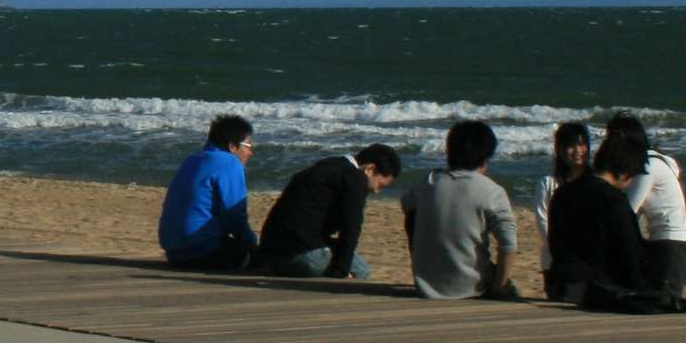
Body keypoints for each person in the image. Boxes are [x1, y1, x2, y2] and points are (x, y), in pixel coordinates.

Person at [544, 131, 677, 309]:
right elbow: (628, 252)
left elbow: (554, 241)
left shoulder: (562, 193)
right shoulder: (614, 200)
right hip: (596, 288)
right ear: (624, 172)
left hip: (560, 283)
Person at [399, 119, 520, 299]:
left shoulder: (430, 181)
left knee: (413, 213)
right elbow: (509, 245)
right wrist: (499, 285)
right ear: (485, 157)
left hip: (427, 286)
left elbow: (406, 205)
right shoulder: (492, 192)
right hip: (472, 287)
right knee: (513, 289)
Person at [252, 145, 400, 279]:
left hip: (270, 249)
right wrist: (341, 271)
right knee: (361, 269)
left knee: (339, 256)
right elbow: (351, 227)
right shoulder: (355, 177)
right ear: (370, 169)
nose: (377, 191)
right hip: (299, 253)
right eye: (380, 184)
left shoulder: (329, 166)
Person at [604, 113, 686, 303]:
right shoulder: (656, 161)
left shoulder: (649, 166)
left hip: (671, 246)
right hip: (663, 243)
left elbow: (627, 210)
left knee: (663, 303)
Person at [158, 115, 258, 271]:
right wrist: (252, 242)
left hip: (174, 252)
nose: (251, 152)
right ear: (232, 146)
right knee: (265, 258)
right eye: (248, 145)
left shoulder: (193, 159)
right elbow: (235, 215)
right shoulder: (230, 163)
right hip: (202, 251)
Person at [534, 121, 592, 300]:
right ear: (559, 149)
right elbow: (542, 218)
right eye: (571, 146)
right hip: (554, 259)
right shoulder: (548, 183)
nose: (577, 150)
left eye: (581, 145)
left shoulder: (594, 183)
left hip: (587, 261)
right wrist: (560, 248)